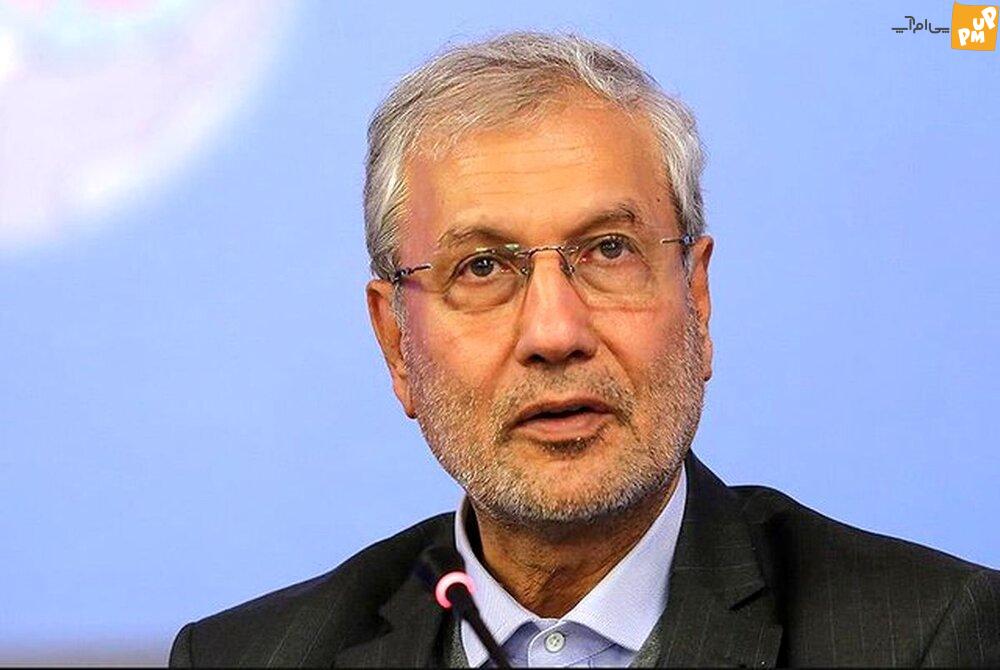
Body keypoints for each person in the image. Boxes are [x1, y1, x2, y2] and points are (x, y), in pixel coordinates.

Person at [169, 32, 999, 668]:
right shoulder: (247, 656)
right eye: (482, 267)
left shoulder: (926, 636)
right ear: (395, 342)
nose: (555, 333)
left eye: (608, 250)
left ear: (697, 298)